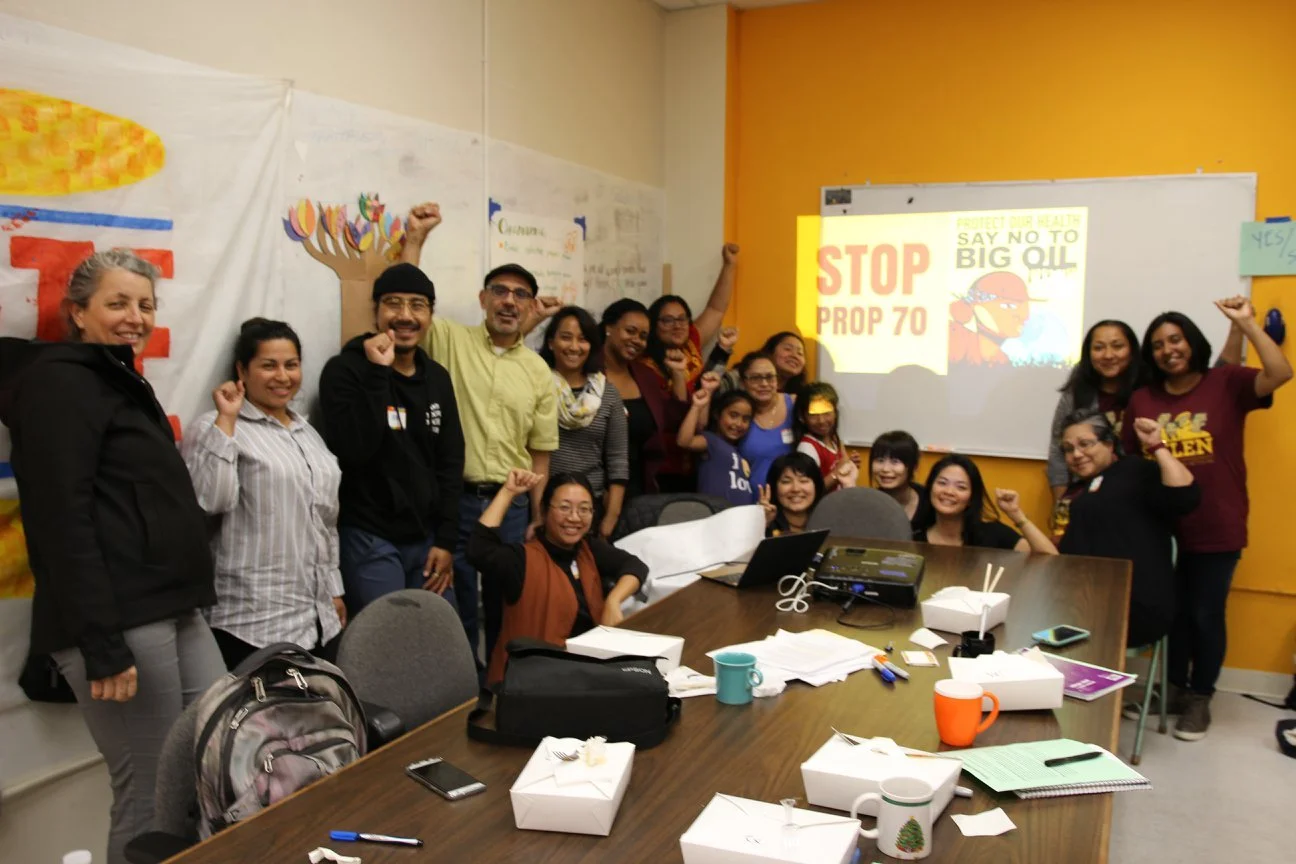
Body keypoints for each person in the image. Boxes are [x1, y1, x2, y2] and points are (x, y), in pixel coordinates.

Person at [0, 250, 224, 864]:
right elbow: (59, 520)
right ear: (77, 312)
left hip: (174, 605)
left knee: (211, 763)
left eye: (145, 305)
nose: (136, 317)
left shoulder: (118, 379)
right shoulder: (58, 383)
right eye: (117, 303)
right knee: (150, 794)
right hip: (120, 619)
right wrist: (101, 643)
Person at [1122, 296, 1291, 741]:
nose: (1168, 350)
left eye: (1175, 339)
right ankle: (1174, 689)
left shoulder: (1226, 382)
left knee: (1204, 614)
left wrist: (1246, 323)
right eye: (1158, 344)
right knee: (1172, 614)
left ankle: (1201, 696)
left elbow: (1280, 373)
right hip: (1161, 532)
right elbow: (1131, 462)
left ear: (1192, 342)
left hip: (1217, 525)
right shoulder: (1142, 398)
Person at [400, 203, 559, 671]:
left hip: (511, 509)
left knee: (508, 604)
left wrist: (538, 515)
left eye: (520, 295)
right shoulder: (449, 340)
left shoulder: (537, 370)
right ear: (483, 298)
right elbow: (407, 299)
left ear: (530, 307)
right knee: (457, 602)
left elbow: (540, 454)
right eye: (500, 291)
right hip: (456, 503)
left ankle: (502, 683)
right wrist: (415, 239)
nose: (509, 301)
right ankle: (466, 688)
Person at [183, 319, 346, 669]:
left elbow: (326, 520)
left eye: (291, 365)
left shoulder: (307, 432)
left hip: (315, 616)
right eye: (269, 365)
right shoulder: (214, 426)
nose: (282, 376)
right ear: (242, 370)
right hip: (249, 620)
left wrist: (333, 588)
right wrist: (227, 421)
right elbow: (210, 501)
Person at [319, 264, 465, 617]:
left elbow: (450, 460)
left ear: (430, 315)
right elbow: (355, 450)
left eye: (417, 305)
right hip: (370, 536)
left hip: (427, 539)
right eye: (393, 303)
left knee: (441, 632)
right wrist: (378, 373)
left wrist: (446, 540)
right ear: (376, 311)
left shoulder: (437, 378)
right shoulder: (345, 370)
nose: (405, 316)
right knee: (386, 635)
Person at [468, 470, 648, 685]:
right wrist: (507, 492)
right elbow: (478, 550)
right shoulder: (521, 559)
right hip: (532, 681)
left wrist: (613, 600)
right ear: (544, 512)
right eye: (564, 507)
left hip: (587, 670)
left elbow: (635, 566)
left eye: (584, 509)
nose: (574, 518)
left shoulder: (588, 549)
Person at [1056, 411, 1200, 650]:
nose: (1076, 454)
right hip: (1086, 599)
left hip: (1132, 605)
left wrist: (1156, 446)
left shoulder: (1136, 470)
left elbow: (1186, 495)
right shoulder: (1082, 489)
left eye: (1085, 444)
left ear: (1109, 443)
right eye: (1068, 449)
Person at [638, 244, 740, 489]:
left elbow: (716, 308)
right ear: (653, 325)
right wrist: (677, 374)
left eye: (682, 319)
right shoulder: (644, 365)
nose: (677, 325)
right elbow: (676, 413)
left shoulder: (692, 342)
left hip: (698, 457)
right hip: (665, 462)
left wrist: (730, 265)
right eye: (668, 320)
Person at [540, 306, 629, 538]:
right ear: (551, 343)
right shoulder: (536, 387)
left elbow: (618, 459)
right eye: (565, 337)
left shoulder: (608, 394)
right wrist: (538, 514)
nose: (574, 347)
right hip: (542, 505)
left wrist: (611, 518)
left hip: (590, 508)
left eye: (583, 339)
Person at [1046, 320, 1146, 501]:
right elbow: (1058, 451)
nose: (1108, 355)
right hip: (1088, 497)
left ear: (1132, 351)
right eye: (1099, 348)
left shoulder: (1150, 393)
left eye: (1117, 346)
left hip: (1141, 494)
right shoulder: (1075, 394)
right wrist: (1062, 504)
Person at [917, 454, 1057, 553]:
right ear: (930, 488)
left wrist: (1016, 514)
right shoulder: (914, 539)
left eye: (961, 487)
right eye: (942, 483)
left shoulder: (992, 534)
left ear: (972, 498)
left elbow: (1051, 558)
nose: (949, 491)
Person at [600, 299, 666, 498]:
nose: (637, 340)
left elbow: (670, 419)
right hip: (592, 487)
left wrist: (679, 376)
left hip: (638, 487)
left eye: (643, 336)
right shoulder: (586, 370)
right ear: (608, 328)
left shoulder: (646, 376)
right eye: (630, 331)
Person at [677, 374, 756, 505]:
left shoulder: (741, 453)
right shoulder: (711, 441)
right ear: (717, 414)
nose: (738, 423)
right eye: (733, 415)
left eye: (745, 419)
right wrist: (696, 406)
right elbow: (684, 441)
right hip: (715, 514)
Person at [736, 352, 795, 492]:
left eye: (769, 377)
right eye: (756, 378)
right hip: (753, 499)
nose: (764, 384)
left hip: (795, 497)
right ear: (743, 383)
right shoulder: (737, 414)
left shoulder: (794, 403)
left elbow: (827, 435)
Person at [794, 381, 858, 491]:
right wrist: (837, 472)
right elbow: (809, 490)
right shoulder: (807, 447)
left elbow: (844, 465)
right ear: (802, 417)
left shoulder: (835, 440)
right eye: (813, 415)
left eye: (827, 413)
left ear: (835, 412)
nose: (821, 421)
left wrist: (850, 465)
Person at [869, 430, 931, 531]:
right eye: (880, 460)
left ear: (914, 466)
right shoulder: (868, 502)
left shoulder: (929, 501)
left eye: (895, 461)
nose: (885, 469)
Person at [759, 452, 825, 537]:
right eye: (786, 482)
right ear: (774, 487)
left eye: (803, 481)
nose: (796, 489)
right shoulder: (767, 522)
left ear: (816, 486)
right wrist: (762, 523)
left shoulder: (829, 518)